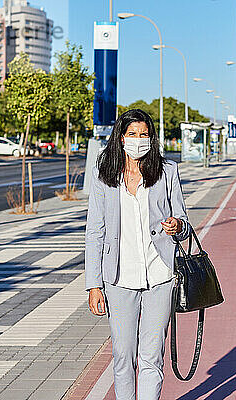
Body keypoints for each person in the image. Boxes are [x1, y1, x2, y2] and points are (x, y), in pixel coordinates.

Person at [85, 108, 192, 400]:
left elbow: (183, 223)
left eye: (144, 134)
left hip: (160, 275)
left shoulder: (167, 171)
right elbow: (95, 231)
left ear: (151, 138)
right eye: (132, 134)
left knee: (151, 355)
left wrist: (177, 225)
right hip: (118, 279)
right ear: (121, 138)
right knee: (122, 355)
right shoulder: (104, 175)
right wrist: (94, 284)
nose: (138, 140)